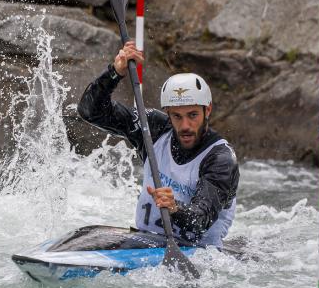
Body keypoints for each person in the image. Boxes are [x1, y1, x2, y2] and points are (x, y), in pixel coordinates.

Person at [77, 41, 239, 248]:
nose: (185, 126)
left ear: (208, 110)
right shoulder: (153, 129)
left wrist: (175, 208)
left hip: (199, 254)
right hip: (145, 242)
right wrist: (115, 72)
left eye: (193, 115)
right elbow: (90, 112)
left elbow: (200, 221)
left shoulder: (221, 159)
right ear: (168, 113)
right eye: (177, 116)